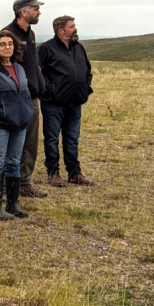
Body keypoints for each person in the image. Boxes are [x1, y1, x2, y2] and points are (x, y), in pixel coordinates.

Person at [0, 31, 34, 221]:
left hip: (20, 125)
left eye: (10, 44)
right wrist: (3, 114)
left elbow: (26, 94)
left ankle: (13, 204)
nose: (7, 47)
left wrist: (27, 112)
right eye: (2, 44)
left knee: (14, 162)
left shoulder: (18, 68)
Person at [38, 15, 95, 187]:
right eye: (72, 26)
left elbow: (87, 70)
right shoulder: (46, 49)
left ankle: (74, 173)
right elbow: (39, 74)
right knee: (52, 138)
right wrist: (52, 91)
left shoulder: (79, 48)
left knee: (72, 138)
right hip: (53, 103)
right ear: (61, 30)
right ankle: (53, 173)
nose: (75, 29)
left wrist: (85, 87)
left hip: (75, 102)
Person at [1, 0, 49, 198]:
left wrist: (40, 83)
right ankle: (5, 184)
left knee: (30, 142)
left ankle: (24, 183)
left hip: (33, 97)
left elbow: (33, 63)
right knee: (12, 142)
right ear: (23, 12)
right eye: (36, 9)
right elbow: (2, 67)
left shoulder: (31, 33)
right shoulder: (7, 34)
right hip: (16, 99)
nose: (39, 12)